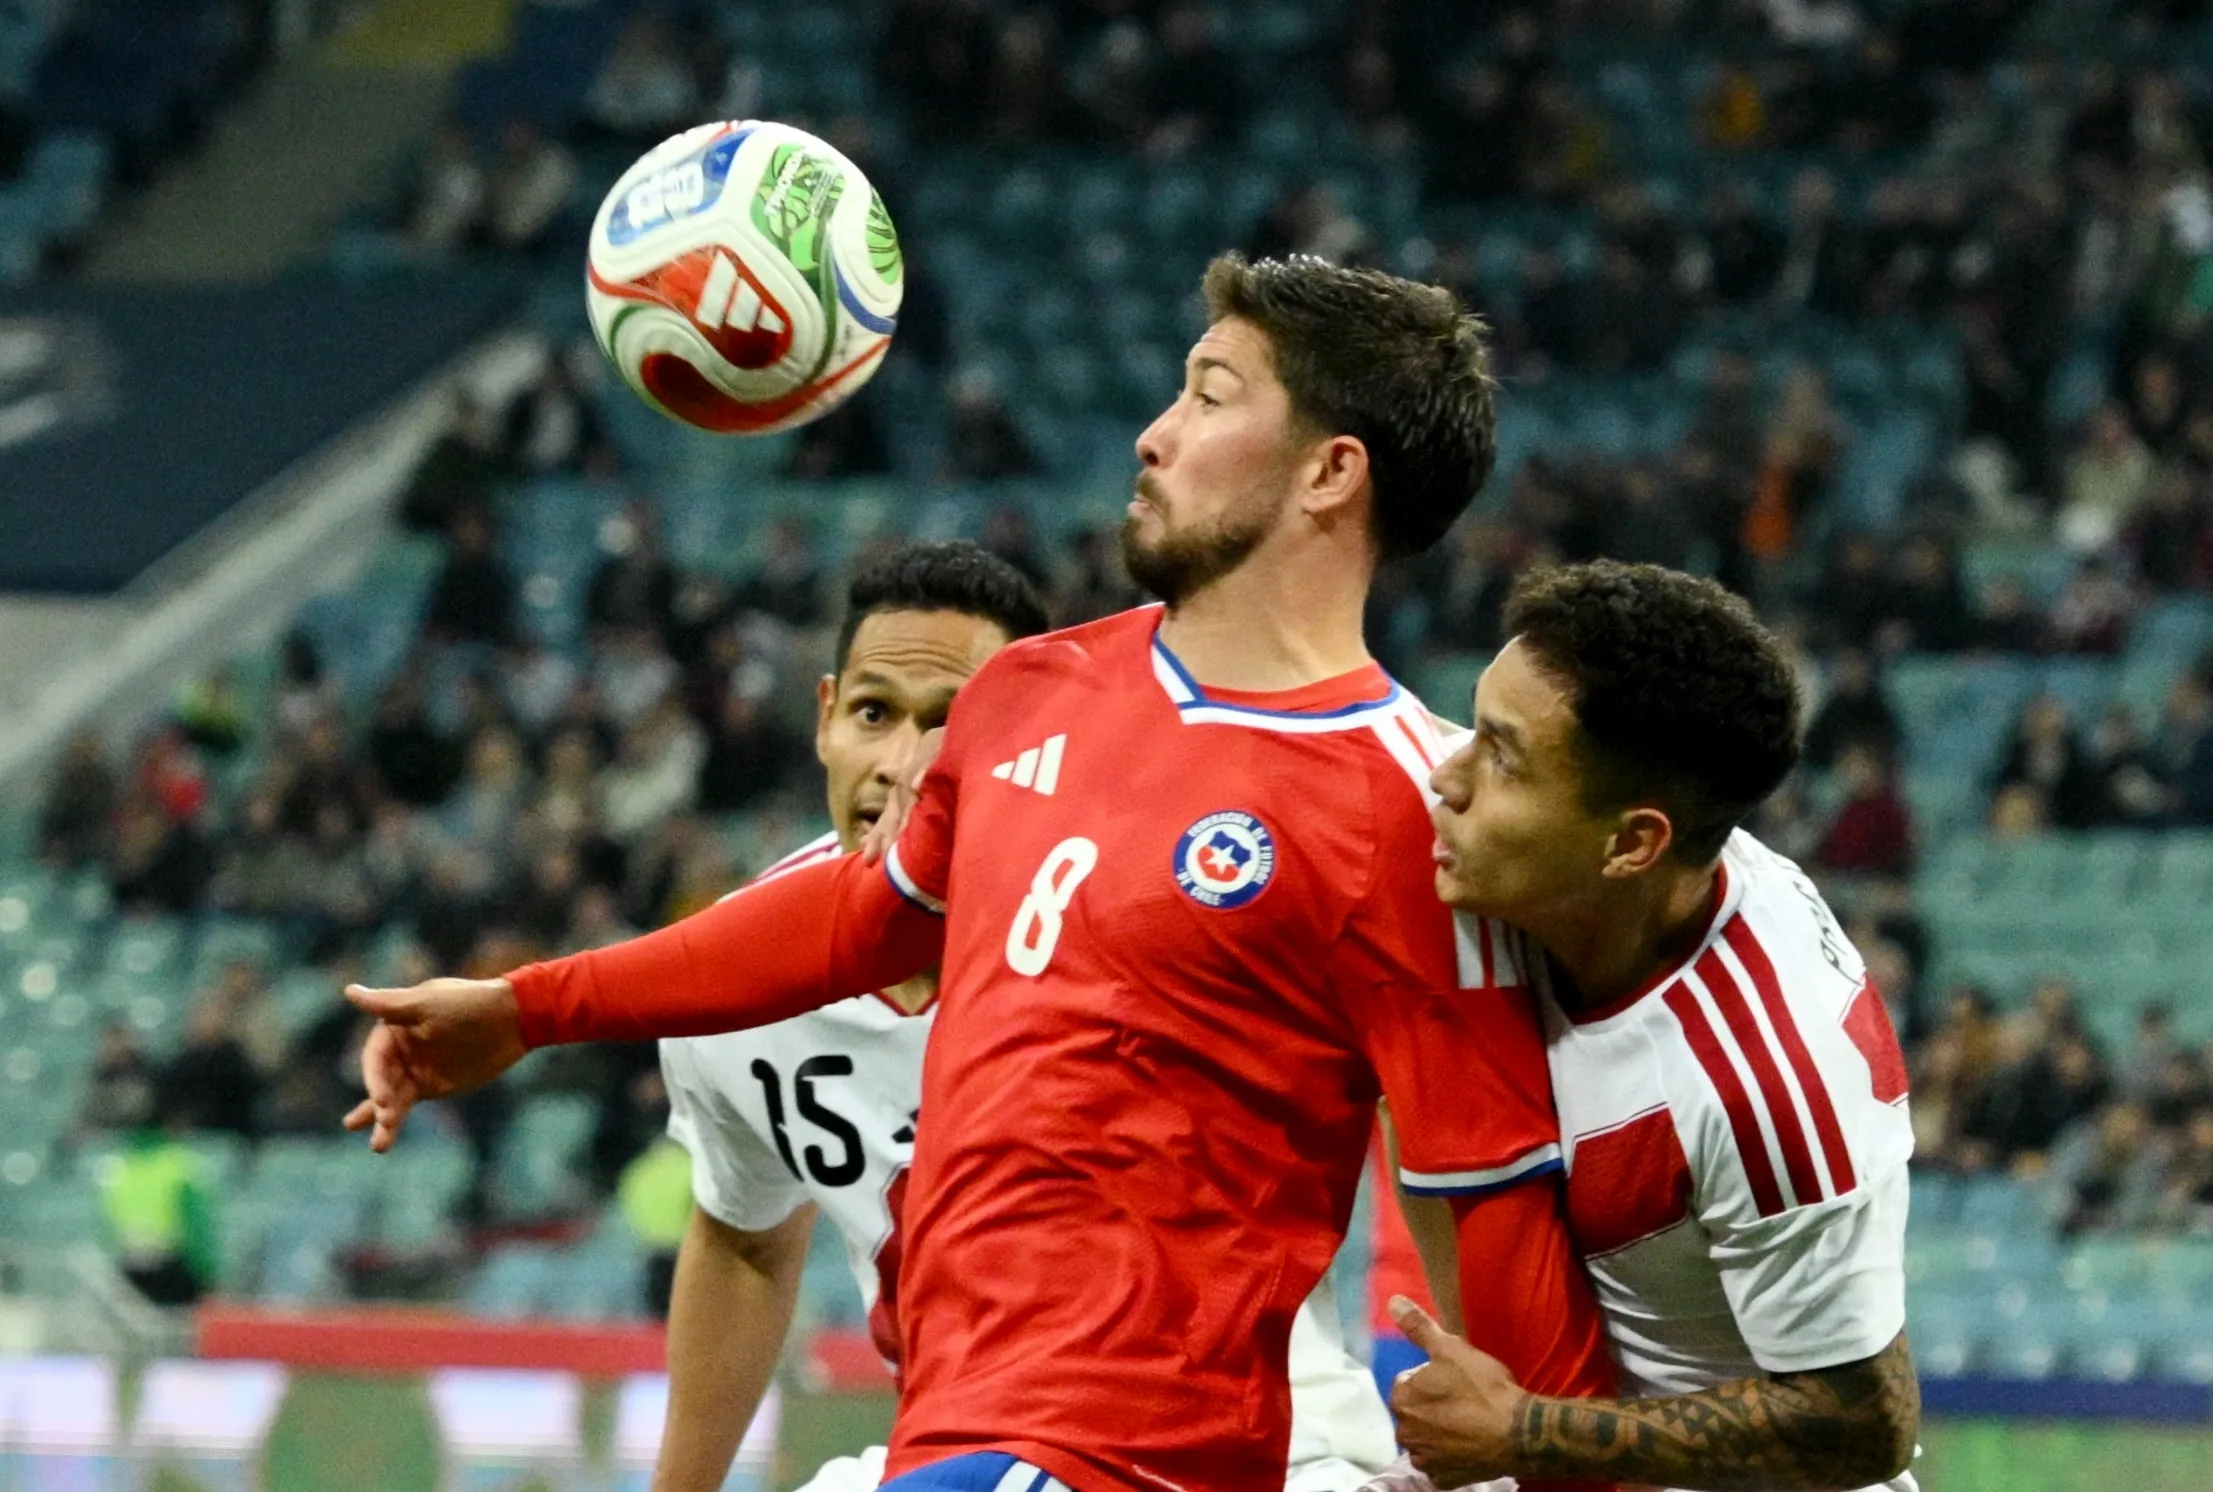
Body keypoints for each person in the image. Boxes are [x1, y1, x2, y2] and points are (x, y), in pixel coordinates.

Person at [342, 255, 1615, 1492]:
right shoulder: (1029, 693)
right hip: (951, 1429)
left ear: (1331, 474)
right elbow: (857, 922)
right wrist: (527, 1009)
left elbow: (1487, 1207)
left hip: (1136, 1454)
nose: (1151, 435)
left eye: (1210, 395)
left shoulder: (1410, 808)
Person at [1381, 562, 1920, 1492]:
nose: (1446, 777)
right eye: (1473, 727)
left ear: (1632, 843)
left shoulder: (1757, 1078)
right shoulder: (1592, 883)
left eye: (1502, 758)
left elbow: (1865, 1422)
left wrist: (1526, 1432)